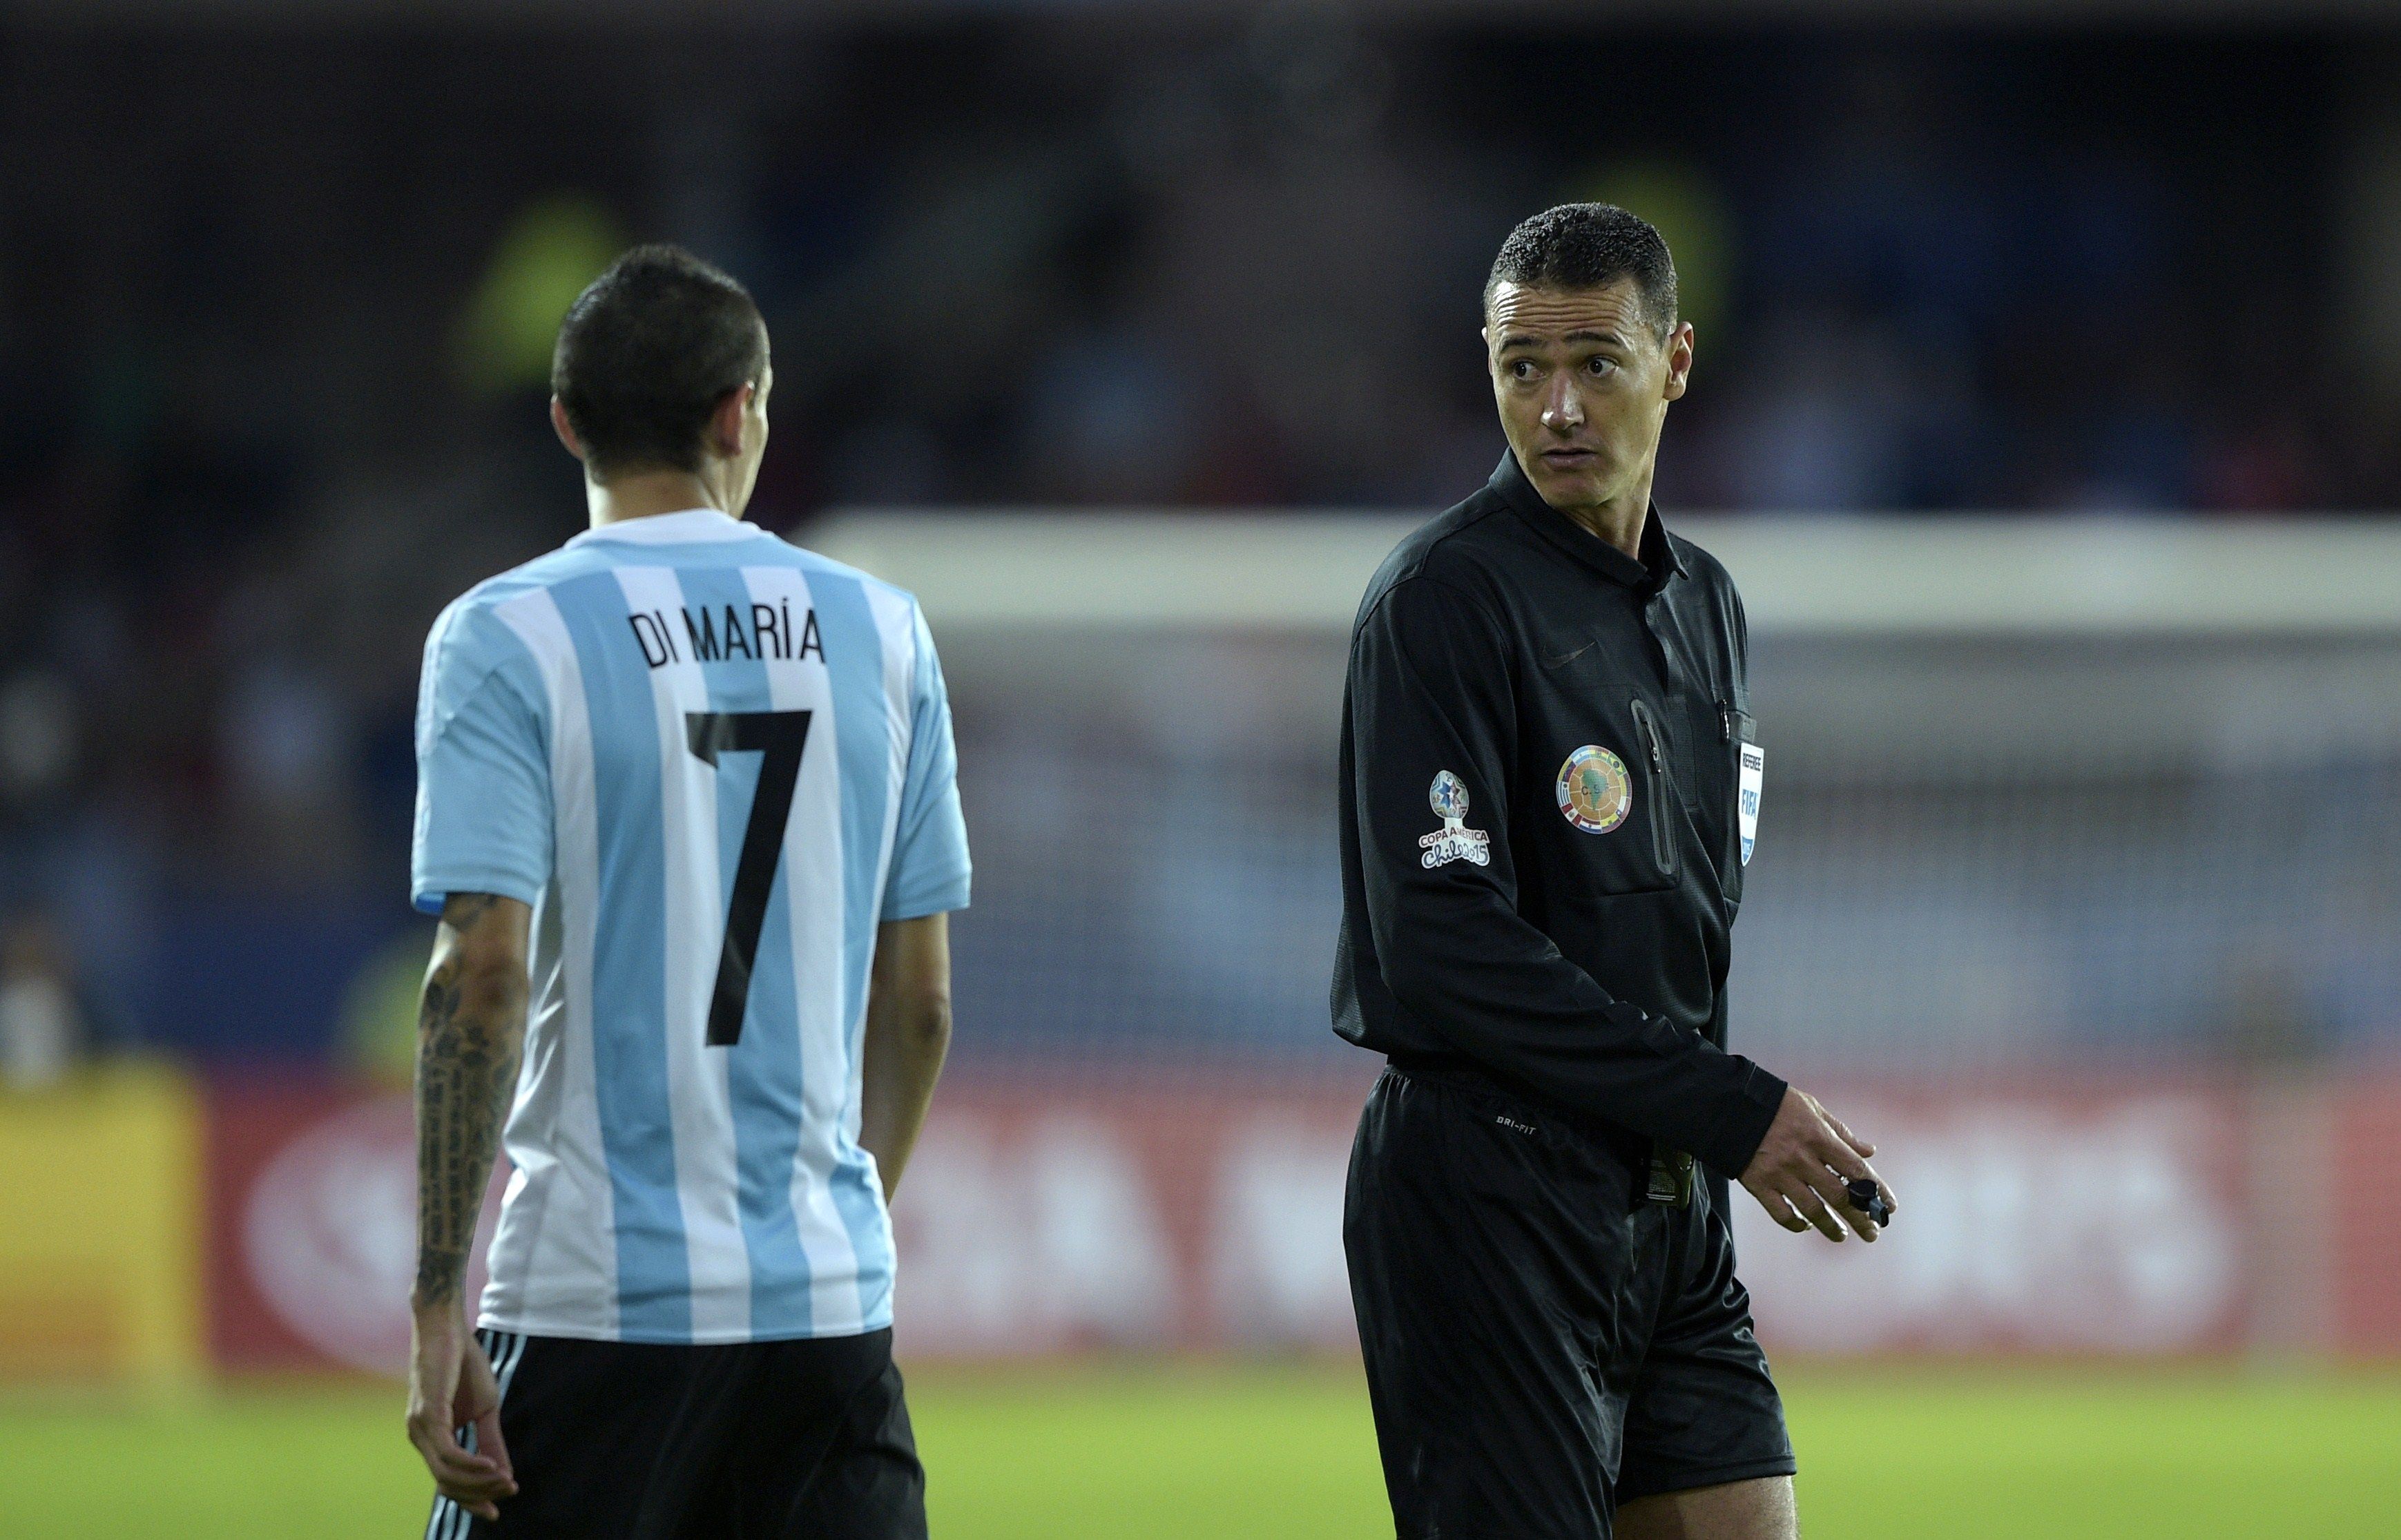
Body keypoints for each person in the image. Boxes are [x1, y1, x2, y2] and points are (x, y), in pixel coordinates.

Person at [1332, 204, 1896, 1540]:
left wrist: (1699, 1122)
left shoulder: (1705, 605)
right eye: (1521, 368)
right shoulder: (1442, 603)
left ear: (1677, 361)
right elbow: (1440, 945)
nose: (1558, 405)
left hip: (1666, 1200)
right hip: (1489, 1195)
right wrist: (1725, 1101)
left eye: (1597, 362)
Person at [405, 245, 970, 1540]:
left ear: (564, 423)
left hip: (596, 1302)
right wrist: (835, 1226)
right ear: (740, 410)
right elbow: (921, 1004)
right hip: (823, 1314)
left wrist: (440, 1301)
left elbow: (481, 970)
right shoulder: (882, 630)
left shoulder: (504, 633)